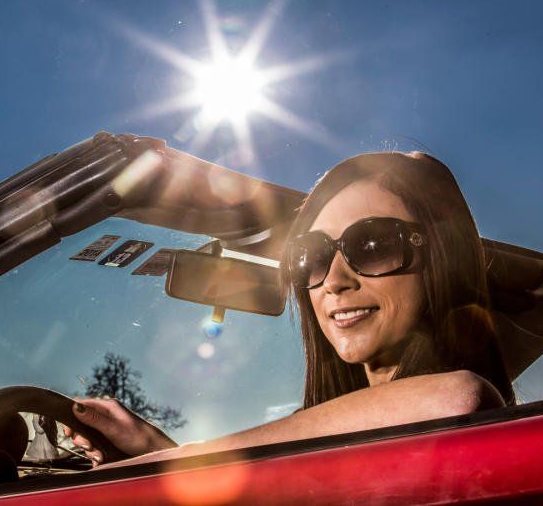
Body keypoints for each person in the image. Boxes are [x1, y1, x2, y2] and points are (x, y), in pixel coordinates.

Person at [63, 151, 514, 468]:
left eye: (373, 245)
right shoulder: (347, 453)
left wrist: (162, 464)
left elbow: (455, 399)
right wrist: (149, 447)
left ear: (442, 259)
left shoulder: (464, 412)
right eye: (312, 256)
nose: (333, 280)